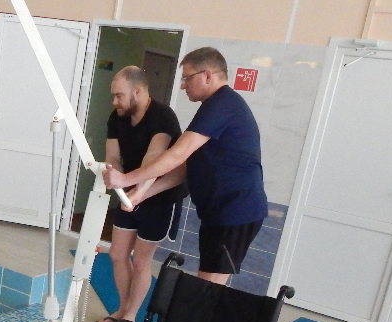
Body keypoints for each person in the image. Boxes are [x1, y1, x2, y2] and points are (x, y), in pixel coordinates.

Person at [103, 48, 268, 286]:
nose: (183, 85)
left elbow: (176, 155)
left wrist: (126, 180)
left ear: (207, 75)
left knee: (208, 285)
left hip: (235, 210)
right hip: (219, 211)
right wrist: (141, 193)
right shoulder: (213, 106)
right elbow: (184, 167)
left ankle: (201, 313)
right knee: (206, 281)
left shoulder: (223, 104)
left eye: (187, 78)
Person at [98, 66, 188, 322]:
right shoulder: (117, 117)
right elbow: (113, 156)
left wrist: (138, 191)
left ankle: (130, 315)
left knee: (141, 259)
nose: (114, 102)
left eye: (119, 95)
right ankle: (122, 308)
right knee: (117, 254)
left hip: (160, 195)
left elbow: (154, 158)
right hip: (130, 189)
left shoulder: (163, 116)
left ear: (137, 92)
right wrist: (117, 178)